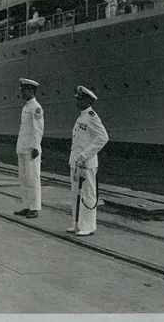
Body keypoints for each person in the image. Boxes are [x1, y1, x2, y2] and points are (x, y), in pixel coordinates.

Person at [67, 86, 109, 236]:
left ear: (87, 101)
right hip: (76, 162)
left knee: (88, 194)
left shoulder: (92, 117)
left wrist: (85, 155)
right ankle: (77, 223)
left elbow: (103, 137)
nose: (77, 101)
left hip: (87, 163)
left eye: (80, 99)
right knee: (75, 193)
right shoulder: (81, 117)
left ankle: (88, 226)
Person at [14, 78, 43, 219]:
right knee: (24, 179)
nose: (22, 93)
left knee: (32, 179)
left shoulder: (36, 108)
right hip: (23, 148)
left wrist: (36, 146)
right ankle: (26, 206)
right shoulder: (25, 108)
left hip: (31, 149)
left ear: (31, 91)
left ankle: (35, 207)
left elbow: (38, 129)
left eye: (24, 90)